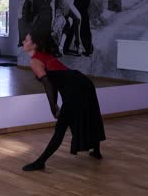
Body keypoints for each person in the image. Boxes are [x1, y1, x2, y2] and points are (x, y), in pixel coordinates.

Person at [21, 28, 106, 171]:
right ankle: (96, 151)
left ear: (34, 44)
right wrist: (55, 105)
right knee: (90, 116)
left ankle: (41, 162)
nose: (23, 41)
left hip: (75, 88)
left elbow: (48, 85)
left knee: (61, 127)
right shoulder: (43, 56)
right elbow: (53, 83)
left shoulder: (35, 61)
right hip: (82, 82)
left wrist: (53, 107)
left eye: (27, 39)